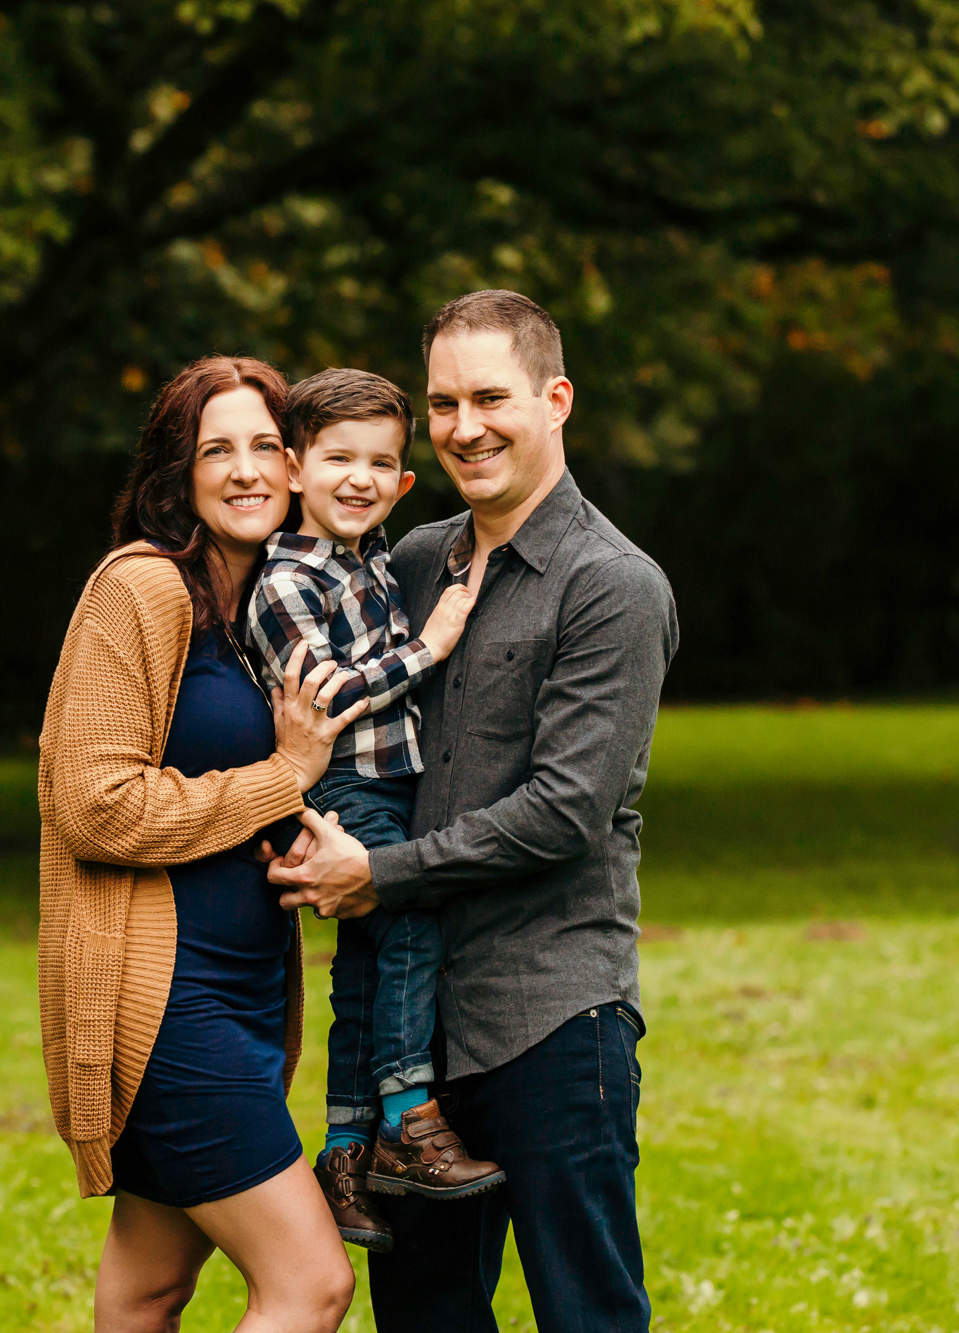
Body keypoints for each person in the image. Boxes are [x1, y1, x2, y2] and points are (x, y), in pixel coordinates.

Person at [267, 291, 680, 1333]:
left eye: (490, 397)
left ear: (556, 399)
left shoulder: (610, 585)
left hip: (550, 1012)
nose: (465, 427)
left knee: (586, 1311)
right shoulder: (406, 563)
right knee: (423, 1318)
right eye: (444, 403)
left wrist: (377, 874)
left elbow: (565, 810)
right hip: (413, 1030)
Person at [37, 355, 369, 1333]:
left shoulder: (268, 606)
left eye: (267, 444)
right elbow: (92, 803)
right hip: (166, 1009)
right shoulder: (141, 591)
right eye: (216, 449)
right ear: (176, 475)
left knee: (146, 1292)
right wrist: (284, 775)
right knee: (310, 1284)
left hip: (246, 990)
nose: (247, 469)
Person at [242, 369, 502, 1256]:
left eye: (380, 462)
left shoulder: (373, 560)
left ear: (401, 482)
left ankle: (344, 1154)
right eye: (337, 457)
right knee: (412, 918)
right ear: (293, 468)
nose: (357, 477)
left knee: (363, 970)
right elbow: (331, 696)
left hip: (391, 784)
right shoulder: (282, 582)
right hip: (348, 788)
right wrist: (430, 647)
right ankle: (407, 1118)